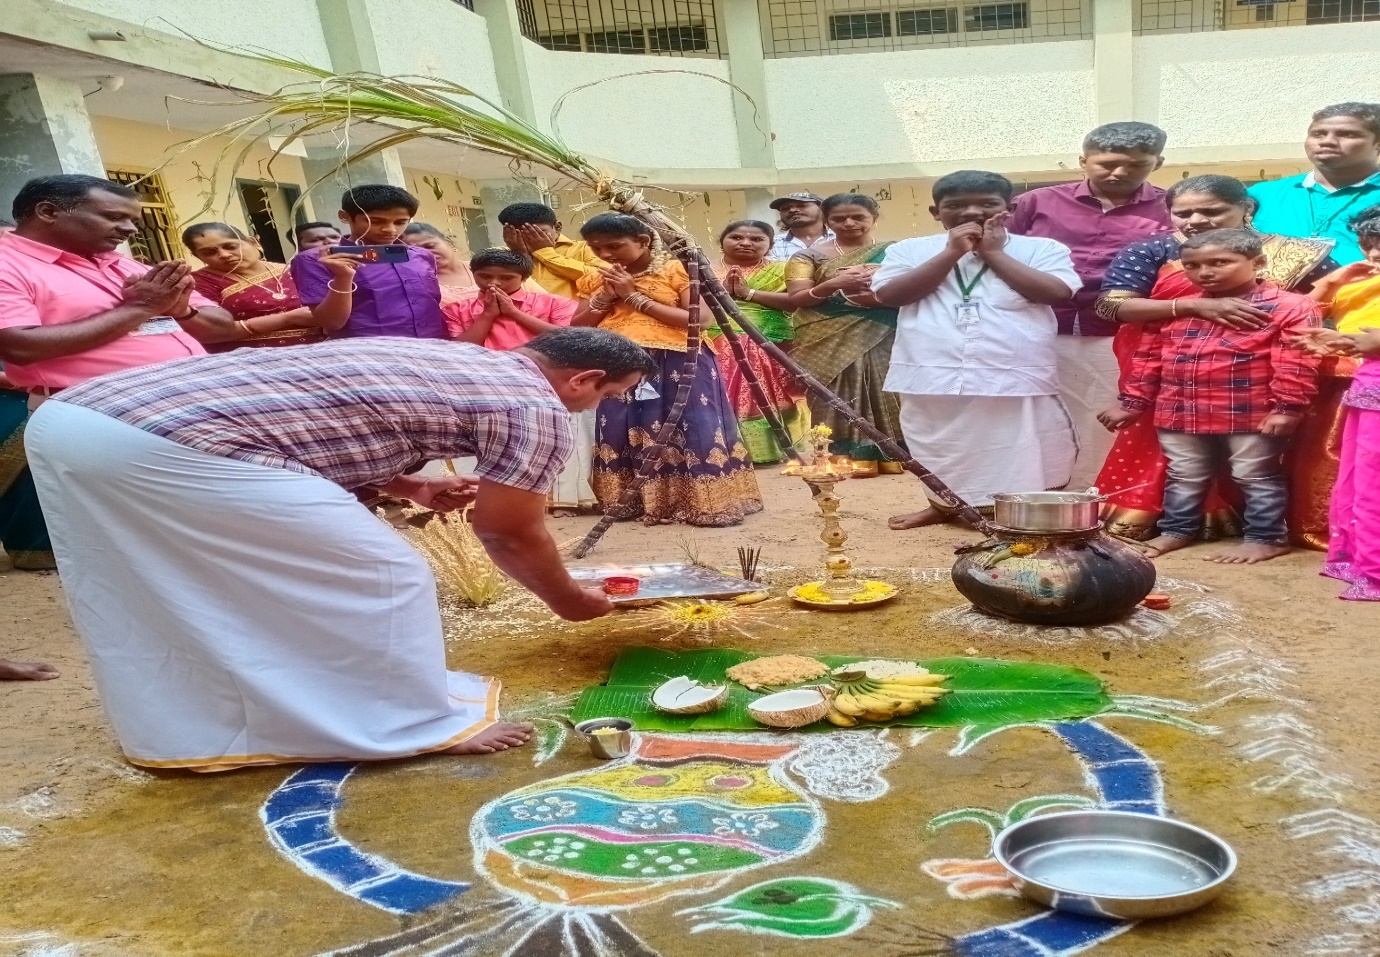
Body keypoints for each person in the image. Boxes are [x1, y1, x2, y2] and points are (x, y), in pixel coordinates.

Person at [24, 328, 650, 770]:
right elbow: (507, 530)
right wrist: (569, 600)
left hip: (75, 420)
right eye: (610, 395)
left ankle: (253, 714)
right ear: (583, 378)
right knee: (383, 573)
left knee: (205, 582)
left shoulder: (455, 357)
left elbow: (322, 414)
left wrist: (409, 483)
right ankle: (409, 727)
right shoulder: (533, 404)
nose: (602, 406)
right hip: (164, 443)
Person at [0, 175, 235, 576]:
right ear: (48, 212)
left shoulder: (124, 263)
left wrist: (179, 310)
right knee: (148, 534)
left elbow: (222, 324)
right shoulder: (9, 264)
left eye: (133, 220)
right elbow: (18, 345)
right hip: (98, 414)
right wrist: (138, 310)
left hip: (189, 402)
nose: (128, 230)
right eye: (113, 217)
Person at [1093, 175, 1337, 542]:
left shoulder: (1296, 254)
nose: (1195, 220)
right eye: (1183, 212)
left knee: (1256, 470)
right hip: (1178, 390)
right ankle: (1176, 529)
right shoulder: (1153, 251)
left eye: (1211, 210)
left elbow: (1324, 314)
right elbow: (1109, 307)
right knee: (1184, 469)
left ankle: (1264, 536)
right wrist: (1191, 305)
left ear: (1247, 208)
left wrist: (1289, 403)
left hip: (1259, 391)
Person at [873, 170, 1080, 529]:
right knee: (938, 444)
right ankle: (942, 505)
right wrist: (953, 252)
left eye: (987, 204)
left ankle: (1016, 512)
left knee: (1017, 445)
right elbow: (890, 295)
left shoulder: (1042, 249)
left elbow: (1057, 293)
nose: (971, 212)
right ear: (936, 212)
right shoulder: (907, 249)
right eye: (955, 206)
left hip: (1012, 370)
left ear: (1009, 208)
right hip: (930, 368)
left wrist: (994, 254)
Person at [1008, 121, 1174, 488]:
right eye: (1108, 163)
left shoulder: (1169, 208)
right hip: (1036, 325)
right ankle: (1032, 492)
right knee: (1035, 415)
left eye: (1136, 165)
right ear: (1083, 161)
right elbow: (999, 253)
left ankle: (1094, 497)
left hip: (1119, 332)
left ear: (1157, 162)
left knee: (1106, 416)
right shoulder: (1036, 203)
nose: (1120, 172)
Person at [573, 213, 762, 526]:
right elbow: (577, 327)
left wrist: (632, 296)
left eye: (614, 246)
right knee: (620, 427)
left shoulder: (678, 270)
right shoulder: (596, 278)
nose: (605, 254)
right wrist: (605, 296)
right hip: (617, 364)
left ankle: (706, 503)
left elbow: (698, 320)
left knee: (693, 427)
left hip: (679, 361)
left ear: (644, 241)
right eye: (596, 248)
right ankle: (635, 502)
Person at [447, 249, 591, 515]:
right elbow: (459, 349)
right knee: (490, 444)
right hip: (483, 385)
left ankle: (557, 500)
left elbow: (569, 339)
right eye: (485, 276)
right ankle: (487, 503)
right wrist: (487, 315)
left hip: (542, 383)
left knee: (546, 441)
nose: (495, 283)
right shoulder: (458, 309)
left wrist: (514, 313)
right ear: (473, 275)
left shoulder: (552, 303)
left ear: (524, 277)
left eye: (506, 278)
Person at [783, 193, 901, 477]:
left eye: (858, 217)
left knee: (883, 385)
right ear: (826, 220)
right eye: (838, 218)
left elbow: (915, 288)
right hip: (823, 332)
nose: (848, 223)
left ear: (874, 217)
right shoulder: (807, 255)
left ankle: (889, 454)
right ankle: (838, 454)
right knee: (831, 391)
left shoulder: (896, 252)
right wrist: (834, 284)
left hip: (881, 328)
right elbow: (798, 297)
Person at [290, 185, 446, 339]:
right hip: (369, 354)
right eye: (376, 221)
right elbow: (331, 323)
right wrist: (343, 278)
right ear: (345, 216)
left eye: (400, 222)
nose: (390, 229)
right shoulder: (316, 260)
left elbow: (433, 305)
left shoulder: (421, 256)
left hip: (433, 346)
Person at [711, 220, 810, 463]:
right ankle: (723, 448)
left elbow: (796, 302)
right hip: (714, 334)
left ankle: (766, 449)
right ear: (722, 240)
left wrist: (749, 294)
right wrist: (718, 294)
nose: (745, 243)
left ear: (770, 245)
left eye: (756, 239)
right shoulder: (703, 269)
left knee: (753, 358)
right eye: (736, 237)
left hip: (771, 336)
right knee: (727, 359)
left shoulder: (784, 269)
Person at [1249, 102, 1380, 265]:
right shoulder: (1262, 195)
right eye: (1318, 134)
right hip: (1272, 289)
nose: (1327, 141)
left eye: (1347, 134)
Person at [1308, 323, 1380, 601]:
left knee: (1373, 487)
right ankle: (1359, 560)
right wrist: (1349, 341)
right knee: (1358, 481)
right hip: (1369, 384)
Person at [183, 222, 323, 351]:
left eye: (231, 246)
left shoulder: (295, 269)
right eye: (209, 252)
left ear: (253, 242)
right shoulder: (196, 283)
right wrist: (288, 318)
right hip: (248, 361)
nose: (224, 255)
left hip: (323, 351)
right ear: (198, 256)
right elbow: (209, 332)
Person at [498, 202, 603, 299]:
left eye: (538, 232)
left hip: (574, 317)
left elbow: (601, 278)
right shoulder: (501, 254)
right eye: (519, 234)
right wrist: (519, 256)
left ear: (557, 227)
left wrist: (545, 253)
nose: (530, 238)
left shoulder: (586, 248)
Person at [402, 221, 476, 304]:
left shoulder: (480, 267)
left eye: (430, 246)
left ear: (447, 241)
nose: (427, 254)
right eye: (414, 251)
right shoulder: (415, 283)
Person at [768, 193, 835, 261]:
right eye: (785, 208)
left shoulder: (840, 238)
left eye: (802, 205)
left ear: (822, 209)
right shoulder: (771, 244)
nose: (792, 210)